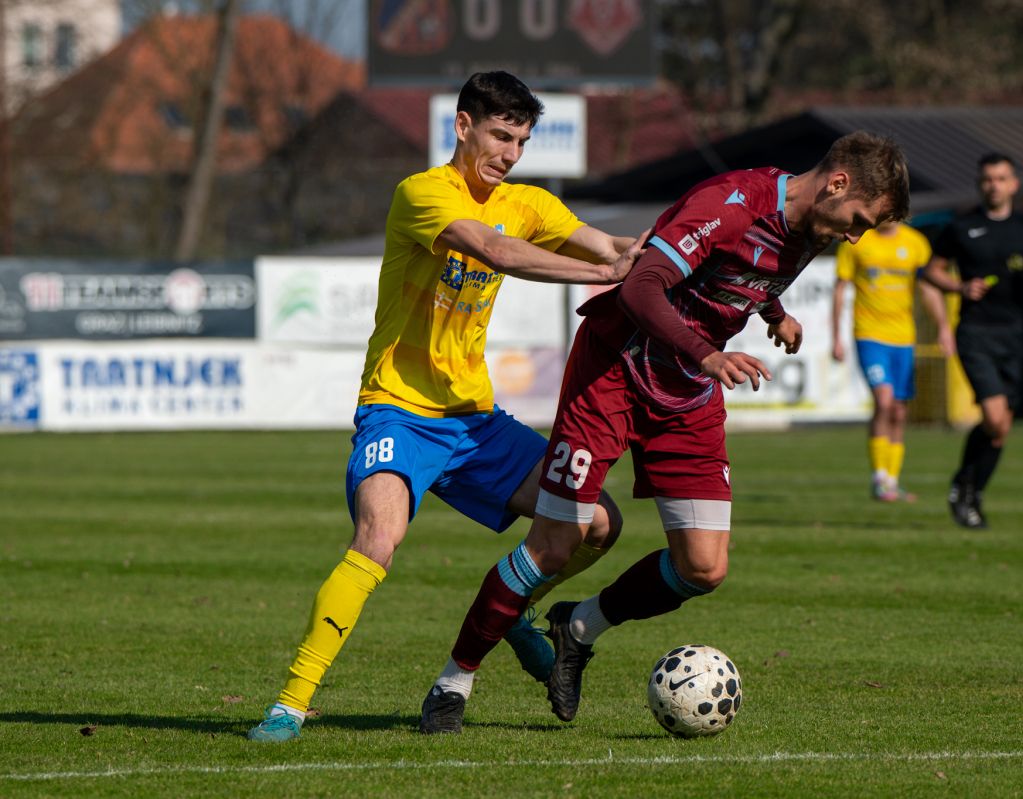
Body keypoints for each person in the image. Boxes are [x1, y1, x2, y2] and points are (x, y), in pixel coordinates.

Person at [418, 131, 911, 732]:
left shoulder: (814, 228)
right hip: (612, 373)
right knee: (554, 544)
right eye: (859, 221)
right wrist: (707, 353)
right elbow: (638, 287)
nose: (856, 236)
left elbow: (751, 275)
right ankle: (454, 681)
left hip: (685, 394)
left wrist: (776, 314)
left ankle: (578, 627)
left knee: (703, 567)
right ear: (837, 184)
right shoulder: (731, 203)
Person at [247, 71, 645, 742]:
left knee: (599, 521)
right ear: (463, 126)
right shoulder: (422, 193)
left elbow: (610, 246)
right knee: (377, 540)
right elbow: (495, 249)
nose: (510, 154)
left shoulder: (529, 203)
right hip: (398, 411)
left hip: (475, 422)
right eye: (500, 135)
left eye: (521, 141)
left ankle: (513, 606)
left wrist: (654, 250)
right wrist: (604, 274)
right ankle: (291, 702)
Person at [920, 153, 1023, 529]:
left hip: (1015, 334)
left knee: (1000, 429)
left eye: (1001, 178)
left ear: (1014, 184)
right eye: (988, 179)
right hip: (975, 332)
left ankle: (970, 490)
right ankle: (964, 487)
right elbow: (931, 272)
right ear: (979, 184)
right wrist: (959, 287)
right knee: (993, 416)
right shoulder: (962, 226)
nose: (994, 185)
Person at [832, 221, 950, 501]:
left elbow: (929, 288)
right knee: (884, 401)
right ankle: (879, 478)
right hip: (869, 335)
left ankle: (892, 481)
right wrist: (836, 336)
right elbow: (840, 289)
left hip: (904, 338)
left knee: (898, 411)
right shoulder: (858, 241)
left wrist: (943, 326)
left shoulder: (915, 243)